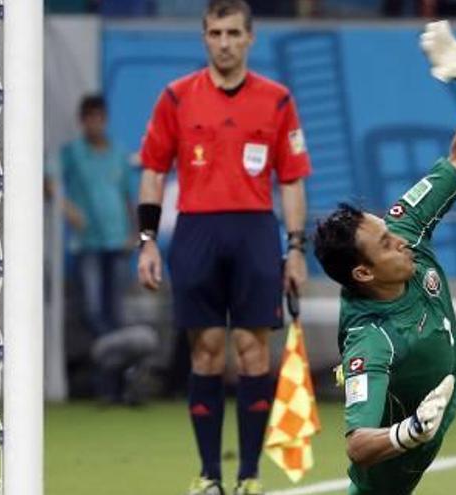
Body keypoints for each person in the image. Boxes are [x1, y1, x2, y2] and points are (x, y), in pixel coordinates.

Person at [313, 21, 456, 495]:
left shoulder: (402, 227)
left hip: (453, 362)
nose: (400, 241)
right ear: (363, 273)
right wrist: (409, 432)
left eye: (389, 231)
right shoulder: (371, 340)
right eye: (385, 245)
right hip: (404, 438)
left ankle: (451, 356)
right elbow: (358, 444)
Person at [136, 1, 311, 494]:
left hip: (256, 231)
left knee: (254, 353)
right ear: (204, 37)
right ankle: (210, 476)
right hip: (196, 233)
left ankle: (249, 476)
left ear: (250, 38)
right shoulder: (176, 97)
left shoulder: (276, 100)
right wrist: (147, 241)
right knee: (207, 354)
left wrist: (295, 247)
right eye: (215, 33)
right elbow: (153, 169)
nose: (225, 42)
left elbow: (293, 180)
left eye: (234, 33)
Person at [50, 94, 134, 403]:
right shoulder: (72, 153)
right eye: (88, 117)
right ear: (82, 121)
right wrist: (67, 208)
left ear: (105, 119)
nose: (94, 123)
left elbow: (130, 197)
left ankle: (114, 385)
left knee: (115, 313)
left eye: (98, 117)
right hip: (88, 245)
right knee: (94, 313)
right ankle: (108, 379)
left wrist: (135, 235)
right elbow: (47, 180)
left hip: (118, 244)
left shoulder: (118, 155)